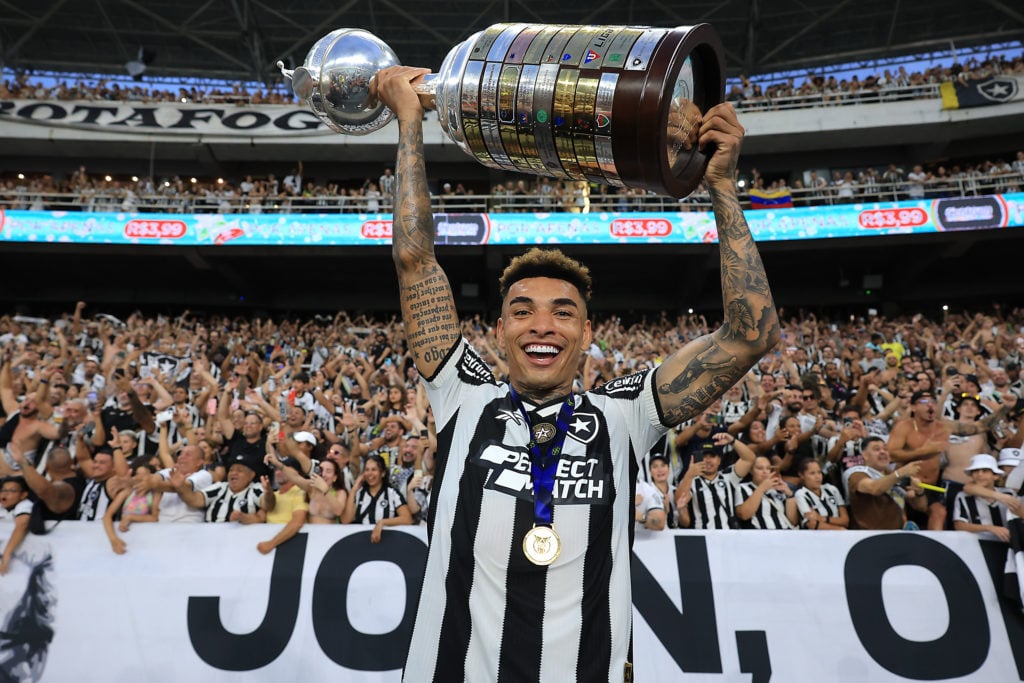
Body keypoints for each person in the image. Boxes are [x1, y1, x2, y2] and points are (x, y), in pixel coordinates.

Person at [375, 65, 777, 682]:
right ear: (499, 332)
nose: (543, 326)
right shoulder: (462, 393)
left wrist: (721, 187)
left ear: (588, 334)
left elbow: (750, 336)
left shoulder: (623, 412)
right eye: (522, 312)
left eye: (564, 313)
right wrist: (410, 122)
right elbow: (413, 258)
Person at [846, 436, 927, 530]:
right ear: (865, 455)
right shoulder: (857, 474)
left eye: (885, 449)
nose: (883, 452)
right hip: (869, 537)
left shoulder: (893, 475)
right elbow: (874, 488)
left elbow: (921, 507)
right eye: (876, 449)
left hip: (898, 534)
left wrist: (919, 492)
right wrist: (899, 473)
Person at [341, 454, 412, 542]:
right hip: (360, 542)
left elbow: (407, 519)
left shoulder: (392, 494)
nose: (370, 473)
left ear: (382, 473)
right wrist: (354, 489)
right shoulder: (358, 493)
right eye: (367, 470)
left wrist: (382, 522)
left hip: (387, 542)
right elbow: (346, 520)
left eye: (374, 469)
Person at [952, 454, 1012, 542]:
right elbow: (959, 525)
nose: (980, 474)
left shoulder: (1009, 493)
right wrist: (990, 528)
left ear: (996, 476)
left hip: (1009, 545)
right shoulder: (963, 496)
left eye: (985, 471)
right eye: (976, 471)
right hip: (978, 545)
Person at [735, 455, 799, 529]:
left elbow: (793, 521)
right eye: (760, 468)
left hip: (783, 536)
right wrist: (762, 488)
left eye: (768, 468)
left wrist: (789, 494)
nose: (765, 472)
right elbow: (743, 515)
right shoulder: (742, 488)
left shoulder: (778, 490)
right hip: (759, 536)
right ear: (751, 470)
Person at [794, 458, 849, 530]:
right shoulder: (801, 494)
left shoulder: (832, 489)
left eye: (819, 472)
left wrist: (822, 518)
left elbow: (845, 521)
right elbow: (812, 524)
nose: (817, 477)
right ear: (802, 475)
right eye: (812, 473)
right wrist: (839, 529)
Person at [0, 476, 32, 575]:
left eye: (12, 491)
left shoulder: (25, 505)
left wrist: (6, 556)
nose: (5, 494)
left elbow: (22, 525)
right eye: (3, 490)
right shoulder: (2, 506)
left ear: (23, 495)